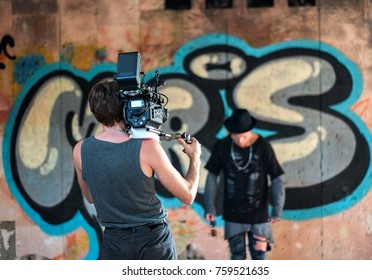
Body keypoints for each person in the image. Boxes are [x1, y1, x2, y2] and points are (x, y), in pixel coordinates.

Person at [72, 80, 201, 260]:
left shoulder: (80, 150)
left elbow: (91, 197)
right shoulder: (147, 148)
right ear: (126, 106)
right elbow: (188, 195)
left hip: (114, 243)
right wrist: (195, 158)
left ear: (95, 111)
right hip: (153, 241)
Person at [204, 109, 285, 260]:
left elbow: (277, 178)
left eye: (244, 137)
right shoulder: (222, 146)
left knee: (259, 257)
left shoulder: (263, 146)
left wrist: (277, 209)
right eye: (236, 137)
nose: (240, 141)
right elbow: (211, 177)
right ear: (230, 133)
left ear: (251, 131)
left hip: (259, 215)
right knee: (237, 257)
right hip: (233, 214)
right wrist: (209, 206)